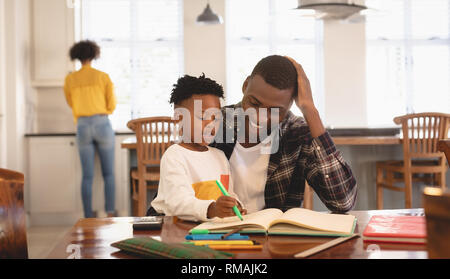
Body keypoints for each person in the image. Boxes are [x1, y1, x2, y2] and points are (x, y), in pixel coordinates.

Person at [210, 55, 358, 214]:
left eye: (275, 111)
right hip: (217, 232)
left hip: (274, 235)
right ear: (245, 85)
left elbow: (343, 202)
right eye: (254, 103)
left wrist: (310, 110)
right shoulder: (215, 122)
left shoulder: (296, 133)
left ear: (290, 105)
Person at [150, 74, 246, 222]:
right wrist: (212, 209)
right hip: (177, 229)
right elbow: (178, 202)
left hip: (209, 229)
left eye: (215, 118)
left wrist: (235, 205)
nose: (211, 125)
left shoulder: (220, 156)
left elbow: (228, 193)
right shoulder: (174, 156)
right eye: (202, 117)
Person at [64, 40, 117, 218]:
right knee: (108, 174)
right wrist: (104, 112)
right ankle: (110, 212)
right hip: (102, 123)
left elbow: (70, 101)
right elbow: (112, 103)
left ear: (77, 56)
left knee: (87, 176)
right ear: (94, 55)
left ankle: (88, 215)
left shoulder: (70, 78)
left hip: (82, 125)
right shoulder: (102, 76)